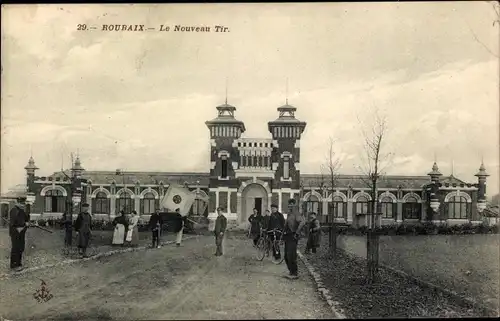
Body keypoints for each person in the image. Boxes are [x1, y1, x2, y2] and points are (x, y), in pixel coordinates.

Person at [283, 199, 305, 279]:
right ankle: (291, 271)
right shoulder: (289, 214)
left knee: (291, 255)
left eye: (292, 204)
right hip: (287, 236)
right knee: (286, 256)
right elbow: (285, 225)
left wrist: (297, 232)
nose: (290, 206)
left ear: (295, 205)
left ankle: (294, 273)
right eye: (289, 204)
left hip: (293, 236)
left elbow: (302, 222)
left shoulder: (296, 213)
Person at [9, 197, 30, 271]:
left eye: (23, 203)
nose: (23, 205)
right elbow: (14, 222)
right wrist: (25, 223)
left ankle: (18, 263)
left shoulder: (22, 211)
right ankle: (13, 265)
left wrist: (27, 222)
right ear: (17, 203)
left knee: (21, 247)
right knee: (15, 248)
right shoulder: (14, 210)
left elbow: (26, 219)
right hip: (15, 232)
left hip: (21, 232)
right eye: (22, 203)